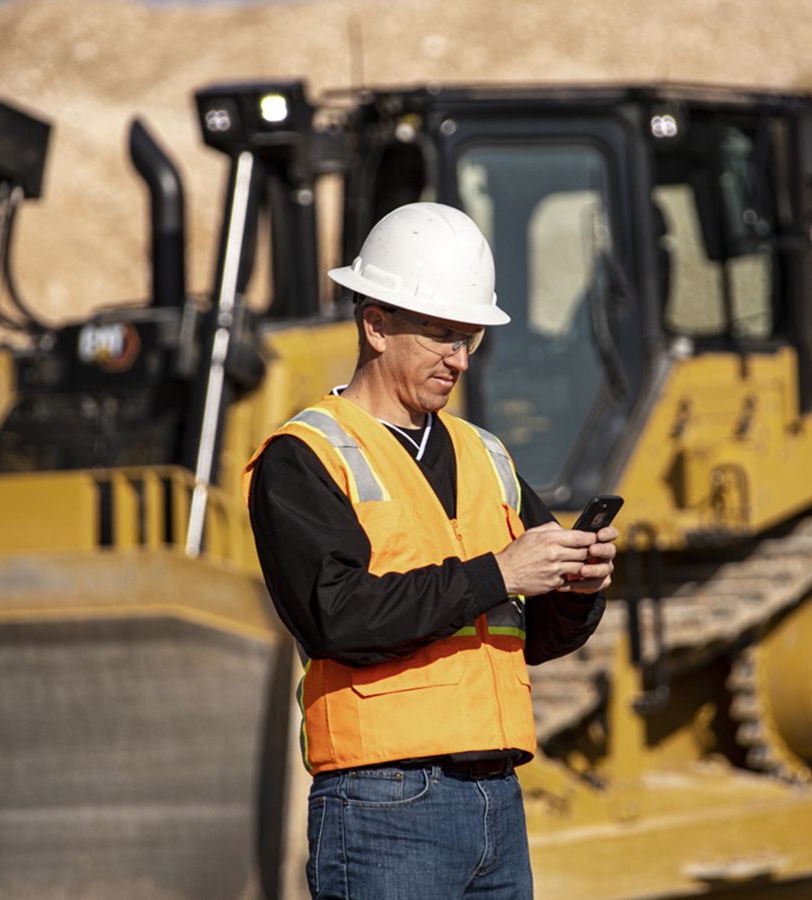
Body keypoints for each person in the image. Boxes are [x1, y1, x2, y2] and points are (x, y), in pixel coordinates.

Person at [243, 202, 617, 900]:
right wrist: (499, 572)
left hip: (496, 802)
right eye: (443, 335)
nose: (461, 359)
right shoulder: (304, 457)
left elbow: (527, 636)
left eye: (469, 338)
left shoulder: (487, 455)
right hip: (383, 803)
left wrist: (579, 588)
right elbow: (339, 616)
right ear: (376, 324)